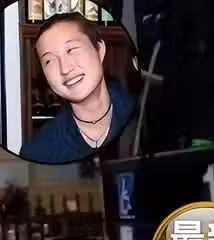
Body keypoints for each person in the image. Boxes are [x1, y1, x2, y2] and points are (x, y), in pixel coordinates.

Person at [20, 12, 137, 165]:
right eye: (49, 61)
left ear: (99, 49)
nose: (65, 68)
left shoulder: (141, 118)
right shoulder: (38, 152)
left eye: (71, 50)